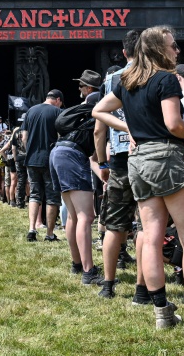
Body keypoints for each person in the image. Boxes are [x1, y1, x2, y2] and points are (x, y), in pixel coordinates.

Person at [94, 27, 184, 335]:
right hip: (169, 157)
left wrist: (129, 130)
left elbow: (98, 110)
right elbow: (173, 123)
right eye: (173, 46)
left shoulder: (126, 81)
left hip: (139, 161)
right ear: (159, 49)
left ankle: (162, 313)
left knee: (150, 237)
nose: (177, 51)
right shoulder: (166, 79)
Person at [94, 30, 145, 301]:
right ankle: (142, 288)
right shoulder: (155, 75)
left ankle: (108, 284)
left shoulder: (112, 79)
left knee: (114, 224)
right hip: (146, 154)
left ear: (124, 53)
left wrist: (102, 161)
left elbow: (98, 129)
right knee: (144, 224)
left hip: (120, 157)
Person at [50, 89, 101, 285]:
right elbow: (97, 148)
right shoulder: (98, 117)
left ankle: (77, 264)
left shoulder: (80, 118)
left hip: (58, 152)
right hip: (72, 157)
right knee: (85, 217)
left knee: (73, 215)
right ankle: (89, 272)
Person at [23, 90, 64, 242]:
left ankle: (32, 229)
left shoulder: (30, 111)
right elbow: (61, 136)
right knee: (52, 197)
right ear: (58, 100)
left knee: (35, 194)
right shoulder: (58, 112)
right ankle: (50, 234)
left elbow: (24, 137)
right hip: (50, 159)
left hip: (32, 159)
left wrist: (29, 151)